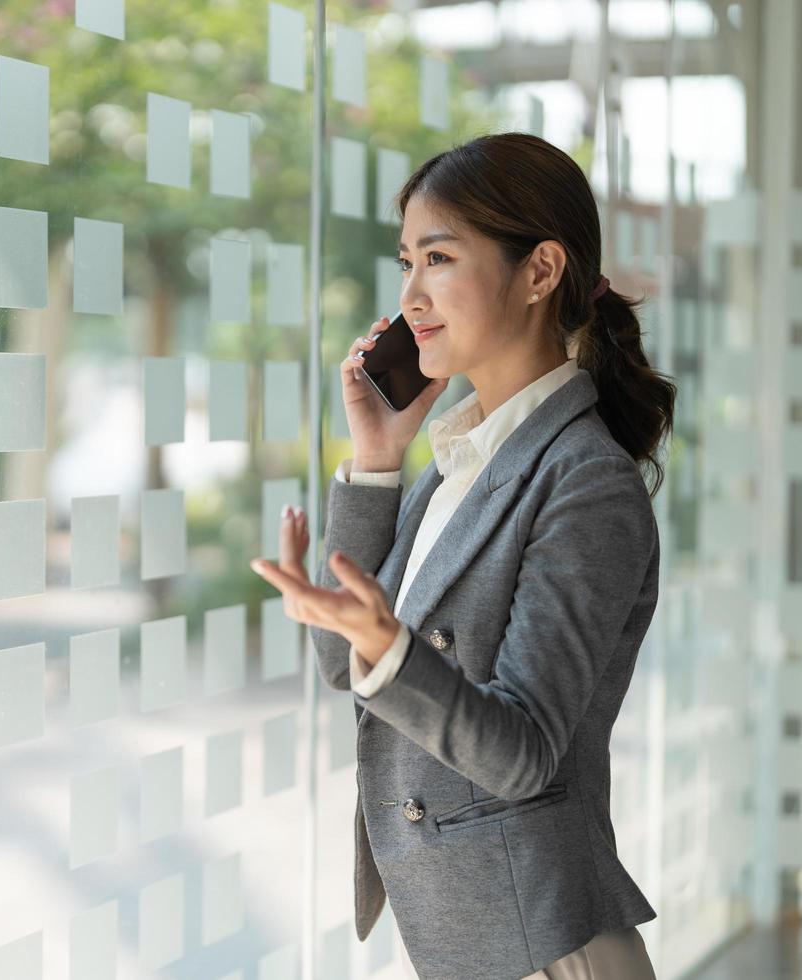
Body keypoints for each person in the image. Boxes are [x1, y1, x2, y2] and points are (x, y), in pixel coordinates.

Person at [250, 132, 677, 980]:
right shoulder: (461, 460)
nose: (410, 296)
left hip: (550, 949)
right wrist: (376, 461)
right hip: (472, 936)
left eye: (438, 258)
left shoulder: (584, 481)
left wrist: (390, 646)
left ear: (540, 270)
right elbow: (347, 665)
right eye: (405, 261)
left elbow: (521, 752)